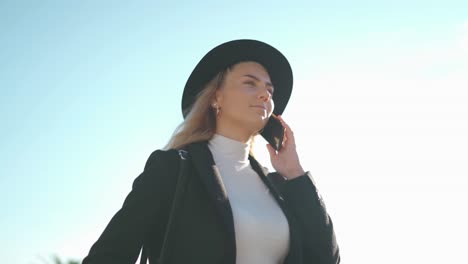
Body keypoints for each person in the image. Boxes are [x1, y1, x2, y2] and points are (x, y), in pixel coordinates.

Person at [82, 39, 340, 264]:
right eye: (250, 83)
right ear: (216, 97)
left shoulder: (282, 187)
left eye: (270, 90)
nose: (265, 94)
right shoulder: (172, 168)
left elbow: (326, 259)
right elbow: (109, 256)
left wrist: (295, 174)